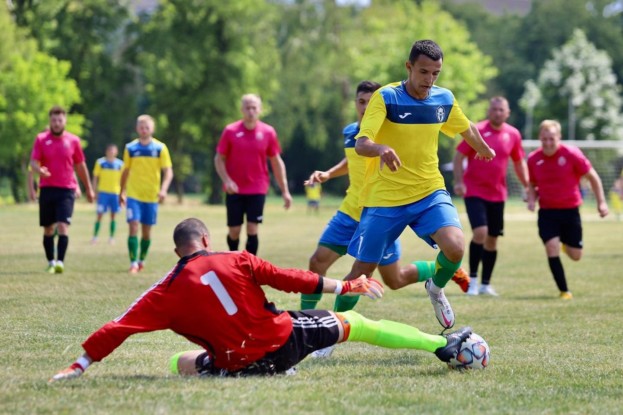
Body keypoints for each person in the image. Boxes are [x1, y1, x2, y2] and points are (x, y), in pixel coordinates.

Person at [49, 218, 474, 381]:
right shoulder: (235, 257)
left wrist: (80, 363)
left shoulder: (164, 290)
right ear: (206, 240)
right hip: (282, 341)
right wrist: (345, 287)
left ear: (178, 250)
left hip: (235, 363)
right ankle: (442, 345)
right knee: (358, 326)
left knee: (179, 361)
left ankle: (228, 368)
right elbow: (290, 279)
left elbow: (120, 326)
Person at [301, 81, 470, 354]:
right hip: (350, 213)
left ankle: (441, 271)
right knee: (317, 262)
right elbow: (352, 160)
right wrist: (329, 174)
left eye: (371, 102)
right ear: (355, 103)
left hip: (382, 211)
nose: (365, 107)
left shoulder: (392, 129)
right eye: (361, 102)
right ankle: (308, 324)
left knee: (395, 280)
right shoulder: (351, 132)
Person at [341, 40, 495, 331]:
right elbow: (362, 144)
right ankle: (331, 331)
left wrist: (482, 146)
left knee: (455, 247)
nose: (429, 79)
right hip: (386, 197)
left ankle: (435, 288)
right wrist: (381, 149)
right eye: (423, 72)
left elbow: (465, 126)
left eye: (436, 73)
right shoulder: (386, 97)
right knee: (362, 272)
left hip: (428, 191)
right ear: (409, 67)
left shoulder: (443, 98)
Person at [453, 97, 529, 296]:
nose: (497, 113)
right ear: (489, 111)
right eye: (494, 109)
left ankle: (485, 284)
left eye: (501, 110)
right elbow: (459, 156)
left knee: (492, 239)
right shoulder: (476, 130)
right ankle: (472, 282)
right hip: (474, 191)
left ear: (508, 113)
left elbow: (519, 162)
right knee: (481, 233)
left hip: (498, 195)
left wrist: (527, 186)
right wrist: (459, 181)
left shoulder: (513, 134)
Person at [527, 120, 608, 299]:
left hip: (570, 211)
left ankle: (566, 245)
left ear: (559, 137)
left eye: (552, 139)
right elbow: (531, 184)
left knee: (576, 255)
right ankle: (564, 290)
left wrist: (601, 202)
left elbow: (593, 177)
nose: (548, 143)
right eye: (544, 139)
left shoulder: (571, 154)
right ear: (540, 138)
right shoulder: (533, 158)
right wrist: (531, 199)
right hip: (547, 212)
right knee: (551, 247)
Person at [214, 94, 292, 256]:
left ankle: (250, 266)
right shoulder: (230, 131)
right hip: (234, 189)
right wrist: (227, 180)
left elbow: (276, 162)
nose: (251, 111)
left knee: (252, 228)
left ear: (260, 110)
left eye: (254, 108)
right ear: (242, 110)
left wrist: (285, 191)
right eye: (247, 108)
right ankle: (233, 262)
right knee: (234, 231)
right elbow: (219, 159)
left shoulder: (268, 132)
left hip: (257, 187)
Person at [29, 106, 95, 274]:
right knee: (48, 229)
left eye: (59, 120)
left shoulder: (73, 141)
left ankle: (60, 262)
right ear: (50, 121)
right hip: (47, 189)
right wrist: (39, 170)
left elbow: (80, 166)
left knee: (63, 225)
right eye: (54, 120)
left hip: (66, 190)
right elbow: (33, 162)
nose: (57, 123)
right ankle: (51, 261)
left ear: (65, 121)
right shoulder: (41, 139)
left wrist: (88, 188)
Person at [120, 115, 174, 273]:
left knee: (146, 232)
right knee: (133, 225)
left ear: (152, 129)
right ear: (137, 129)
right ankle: (133, 263)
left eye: (147, 127)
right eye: (141, 127)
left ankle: (141, 259)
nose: (144, 130)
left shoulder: (160, 148)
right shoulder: (130, 148)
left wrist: (163, 189)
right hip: (133, 195)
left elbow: (168, 171)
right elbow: (125, 171)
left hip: (151, 196)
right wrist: (121, 191)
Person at [91, 144, 124, 244]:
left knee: (113, 216)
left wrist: (123, 193)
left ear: (116, 152)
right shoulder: (100, 163)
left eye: (113, 150)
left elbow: (123, 180)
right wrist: (94, 190)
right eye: (110, 150)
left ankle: (111, 237)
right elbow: (95, 177)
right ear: (106, 151)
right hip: (103, 193)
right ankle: (95, 236)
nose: (111, 152)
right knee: (99, 215)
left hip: (115, 193)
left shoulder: (120, 164)